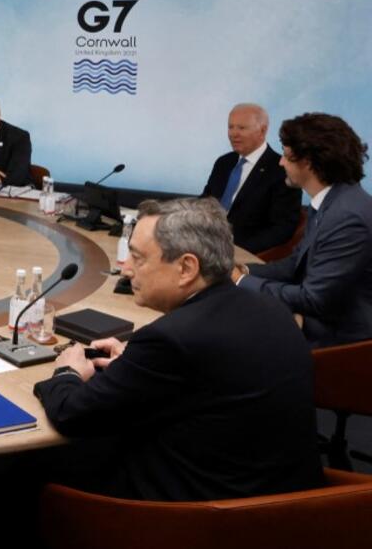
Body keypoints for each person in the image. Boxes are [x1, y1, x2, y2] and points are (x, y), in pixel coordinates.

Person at [34, 197, 322, 501]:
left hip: (196, 519)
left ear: (186, 267)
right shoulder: (270, 307)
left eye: (138, 258)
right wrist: (134, 363)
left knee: (28, 470)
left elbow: (72, 414)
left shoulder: (172, 340)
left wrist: (67, 371)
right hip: (288, 507)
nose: (126, 269)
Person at [236, 112, 372, 346]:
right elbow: (296, 264)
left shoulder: (347, 217)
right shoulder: (334, 200)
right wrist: (243, 271)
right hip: (320, 323)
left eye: (287, 157)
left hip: (341, 343)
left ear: (307, 162)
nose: (280, 162)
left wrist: (240, 282)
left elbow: (314, 299)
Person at [200, 103, 300, 254]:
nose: (233, 134)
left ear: (263, 130)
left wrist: (236, 250)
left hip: (242, 252)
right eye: (230, 127)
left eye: (241, 128)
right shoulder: (224, 162)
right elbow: (205, 200)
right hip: (203, 243)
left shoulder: (281, 170)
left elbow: (282, 228)